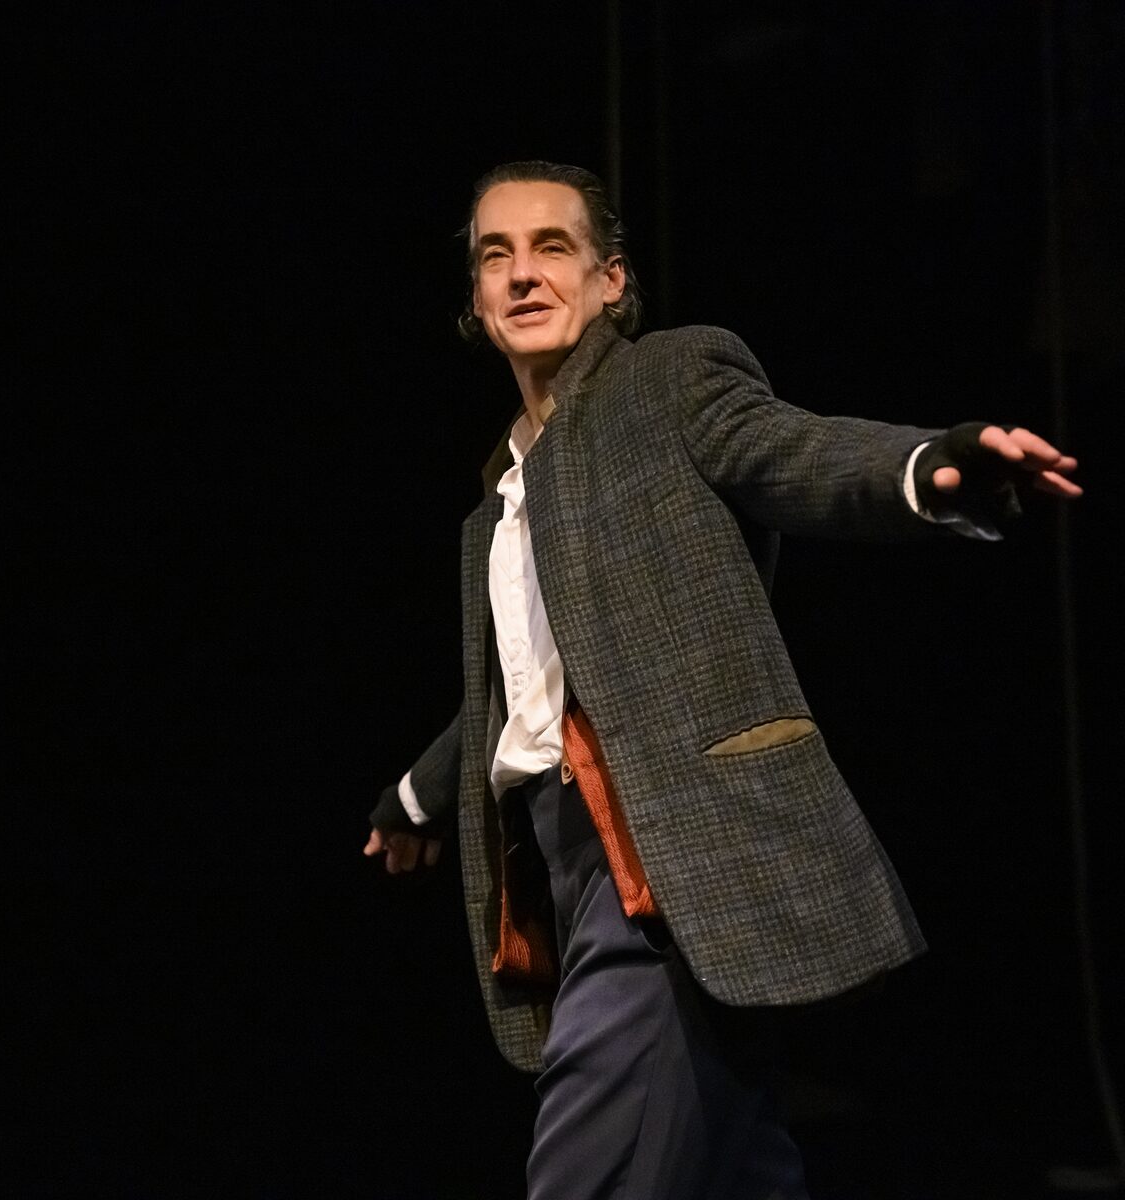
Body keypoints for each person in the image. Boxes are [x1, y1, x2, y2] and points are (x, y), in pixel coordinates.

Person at [363, 160, 1081, 1200]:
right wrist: (417, 796)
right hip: (564, 869)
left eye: (552, 247)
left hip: (663, 847)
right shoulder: (498, 503)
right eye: (495, 256)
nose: (521, 274)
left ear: (612, 278)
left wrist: (929, 467)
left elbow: (793, 451)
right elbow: (518, 693)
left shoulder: (666, 380)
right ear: (475, 299)